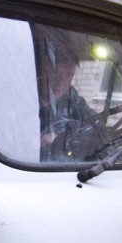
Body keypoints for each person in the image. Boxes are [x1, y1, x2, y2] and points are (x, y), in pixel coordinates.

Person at [37, 31, 107, 162]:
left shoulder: (71, 98)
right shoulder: (24, 99)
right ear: (42, 72)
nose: (62, 83)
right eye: (56, 77)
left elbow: (95, 125)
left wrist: (62, 136)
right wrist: (36, 141)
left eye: (69, 76)